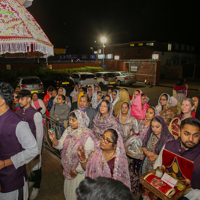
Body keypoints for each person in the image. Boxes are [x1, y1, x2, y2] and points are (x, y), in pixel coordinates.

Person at [0, 82, 38, 200]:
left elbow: (33, 149)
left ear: (1, 101)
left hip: (10, 180)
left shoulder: (17, 123)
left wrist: (5, 163)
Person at [48, 110, 97, 200]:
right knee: (68, 194)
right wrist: (54, 140)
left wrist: (76, 170)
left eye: (73, 120)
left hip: (79, 174)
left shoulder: (87, 136)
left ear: (81, 121)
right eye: (70, 119)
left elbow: (88, 158)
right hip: (68, 170)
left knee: (77, 196)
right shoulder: (69, 130)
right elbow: (60, 145)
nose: (70, 122)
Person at [154, 118, 200, 200]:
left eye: (195, 135)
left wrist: (188, 193)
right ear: (179, 132)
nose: (191, 139)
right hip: (163, 194)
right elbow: (157, 165)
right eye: (186, 134)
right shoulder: (168, 146)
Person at [16, 90, 43, 200]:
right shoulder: (18, 112)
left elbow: (39, 135)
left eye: (22, 99)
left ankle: (37, 186)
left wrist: (37, 151)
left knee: (36, 167)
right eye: (19, 99)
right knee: (27, 168)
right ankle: (31, 181)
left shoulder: (36, 114)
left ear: (28, 99)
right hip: (22, 147)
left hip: (33, 148)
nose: (20, 101)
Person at [141, 116, 174, 200]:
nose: (154, 129)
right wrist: (147, 153)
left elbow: (170, 157)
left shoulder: (168, 139)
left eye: (157, 126)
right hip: (147, 165)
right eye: (152, 126)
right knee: (146, 186)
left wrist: (155, 156)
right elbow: (143, 145)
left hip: (159, 169)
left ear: (162, 126)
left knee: (156, 189)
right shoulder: (150, 134)